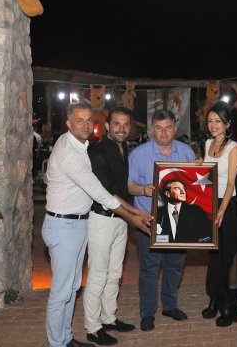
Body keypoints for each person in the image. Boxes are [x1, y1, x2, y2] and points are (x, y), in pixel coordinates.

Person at [43, 101, 152, 347]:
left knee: (77, 286)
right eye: (79, 120)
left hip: (79, 223)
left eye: (88, 120)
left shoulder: (82, 146)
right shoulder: (74, 153)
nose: (85, 125)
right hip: (71, 224)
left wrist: (132, 211)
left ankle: (76, 334)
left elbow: (115, 190)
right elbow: (101, 193)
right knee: (68, 289)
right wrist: (134, 216)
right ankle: (79, 333)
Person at [127, 109, 196, 332]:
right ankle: (147, 313)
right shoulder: (138, 154)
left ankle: (170, 305)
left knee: (175, 266)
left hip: (178, 220)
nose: (163, 132)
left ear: (175, 129)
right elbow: (129, 185)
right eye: (158, 127)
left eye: (168, 127)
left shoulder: (186, 152)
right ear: (151, 130)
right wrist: (143, 189)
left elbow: (196, 186)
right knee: (149, 268)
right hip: (148, 220)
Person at [83, 107, 137, 346]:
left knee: (114, 273)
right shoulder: (97, 151)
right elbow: (107, 192)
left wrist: (130, 213)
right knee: (98, 274)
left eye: (125, 124)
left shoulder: (123, 148)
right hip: (102, 220)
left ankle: (108, 318)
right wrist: (134, 213)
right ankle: (93, 328)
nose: (121, 129)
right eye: (117, 124)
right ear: (107, 126)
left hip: (119, 220)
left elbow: (122, 186)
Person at [200, 102, 237, 327]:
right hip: (210, 203)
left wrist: (222, 210)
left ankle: (230, 304)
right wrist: (197, 165)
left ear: (227, 124)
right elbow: (207, 175)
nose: (213, 125)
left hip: (229, 205)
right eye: (210, 121)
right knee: (214, 254)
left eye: (218, 121)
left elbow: (230, 183)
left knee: (230, 255)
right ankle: (215, 298)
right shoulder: (207, 144)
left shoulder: (233, 147)